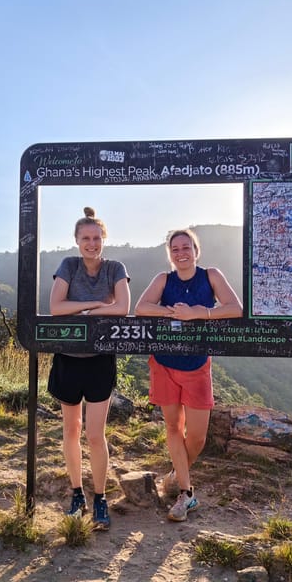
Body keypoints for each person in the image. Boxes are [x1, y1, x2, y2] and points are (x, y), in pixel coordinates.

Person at [134, 228, 242, 522]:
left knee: (196, 437)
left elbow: (235, 309)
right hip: (164, 363)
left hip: (196, 364)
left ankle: (175, 475)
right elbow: (141, 307)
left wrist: (198, 313)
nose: (181, 253)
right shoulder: (163, 280)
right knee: (172, 428)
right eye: (175, 249)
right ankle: (186, 493)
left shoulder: (211, 276)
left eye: (186, 247)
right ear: (169, 254)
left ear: (196, 250)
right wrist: (170, 312)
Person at [48, 207, 130, 530]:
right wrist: (96, 305)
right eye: (86, 238)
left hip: (99, 359)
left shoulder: (114, 268)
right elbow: (56, 308)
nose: (92, 244)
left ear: (103, 239)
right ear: (77, 240)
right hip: (68, 357)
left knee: (95, 434)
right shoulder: (68, 265)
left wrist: (81, 308)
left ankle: (100, 498)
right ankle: (76, 494)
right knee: (71, 430)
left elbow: (123, 308)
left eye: (97, 238)